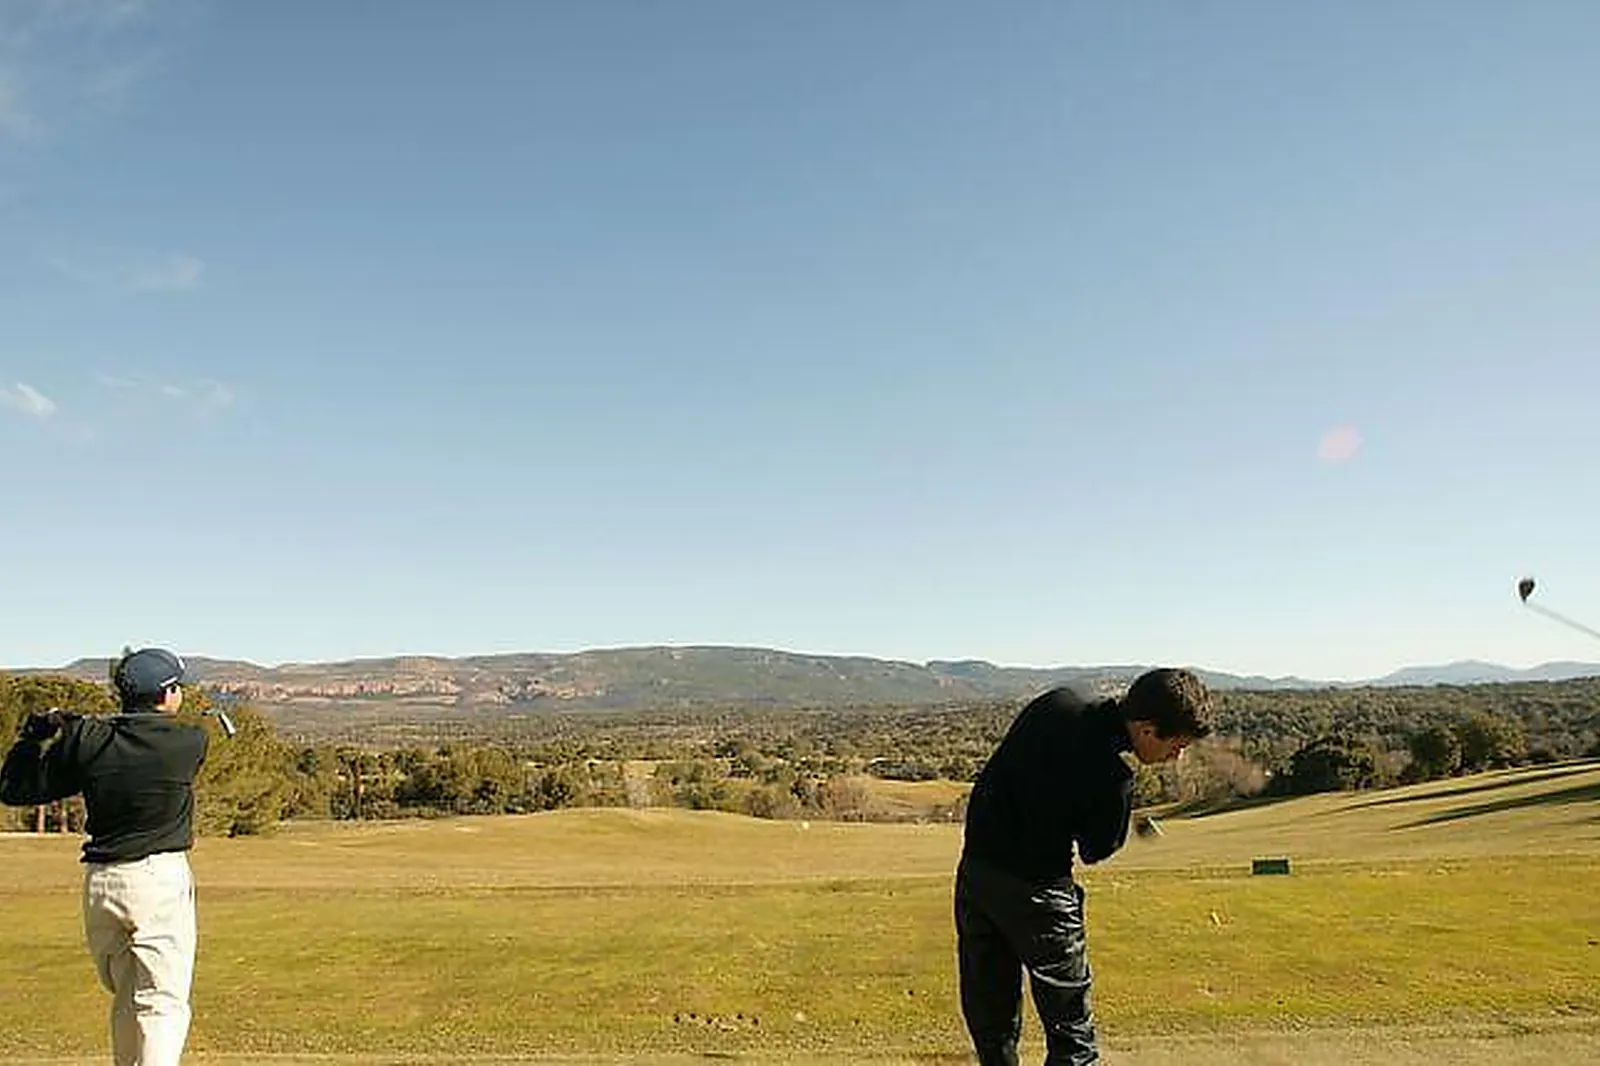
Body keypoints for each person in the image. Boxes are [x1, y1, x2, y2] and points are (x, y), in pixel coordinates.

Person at [954, 667, 1217, 1066]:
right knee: (1072, 1041)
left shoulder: (1056, 702)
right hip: (1041, 895)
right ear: (1146, 729)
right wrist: (1113, 807)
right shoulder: (1113, 777)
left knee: (993, 1028)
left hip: (976, 877)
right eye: (1176, 745)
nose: (1175, 756)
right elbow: (1096, 849)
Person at [1, 647, 209, 1066]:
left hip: (102, 885)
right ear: (167, 694)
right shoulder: (189, 742)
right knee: (161, 1003)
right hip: (159, 881)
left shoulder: (88, 741)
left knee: (129, 998)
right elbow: (143, 737)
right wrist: (82, 729)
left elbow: (16, 788)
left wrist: (36, 736)